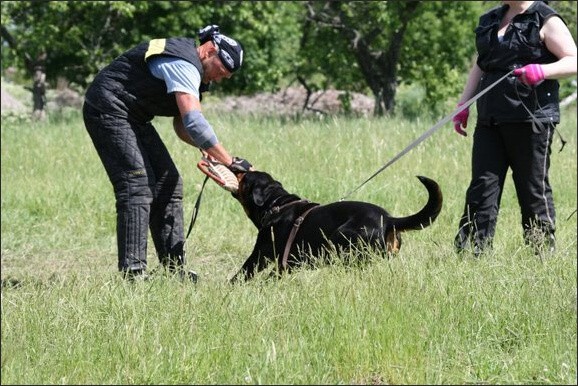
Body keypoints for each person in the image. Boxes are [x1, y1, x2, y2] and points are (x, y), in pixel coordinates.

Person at [83, 25, 253, 280]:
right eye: (222, 70)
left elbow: (182, 124)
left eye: (228, 75)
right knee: (136, 184)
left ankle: (174, 271)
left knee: (169, 184)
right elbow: (195, 123)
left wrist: (206, 150)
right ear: (209, 51)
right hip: (107, 108)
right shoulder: (184, 63)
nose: (221, 79)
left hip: (134, 117)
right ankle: (134, 275)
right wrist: (230, 162)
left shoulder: (195, 74)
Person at [452, 1, 577, 256]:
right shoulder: (491, 18)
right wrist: (463, 104)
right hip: (490, 119)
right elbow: (482, 64)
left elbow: (574, 60)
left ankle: (541, 252)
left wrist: (542, 70)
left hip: (531, 120)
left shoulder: (545, 19)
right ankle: (472, 253)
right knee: (482, 188)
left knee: (532, 189)